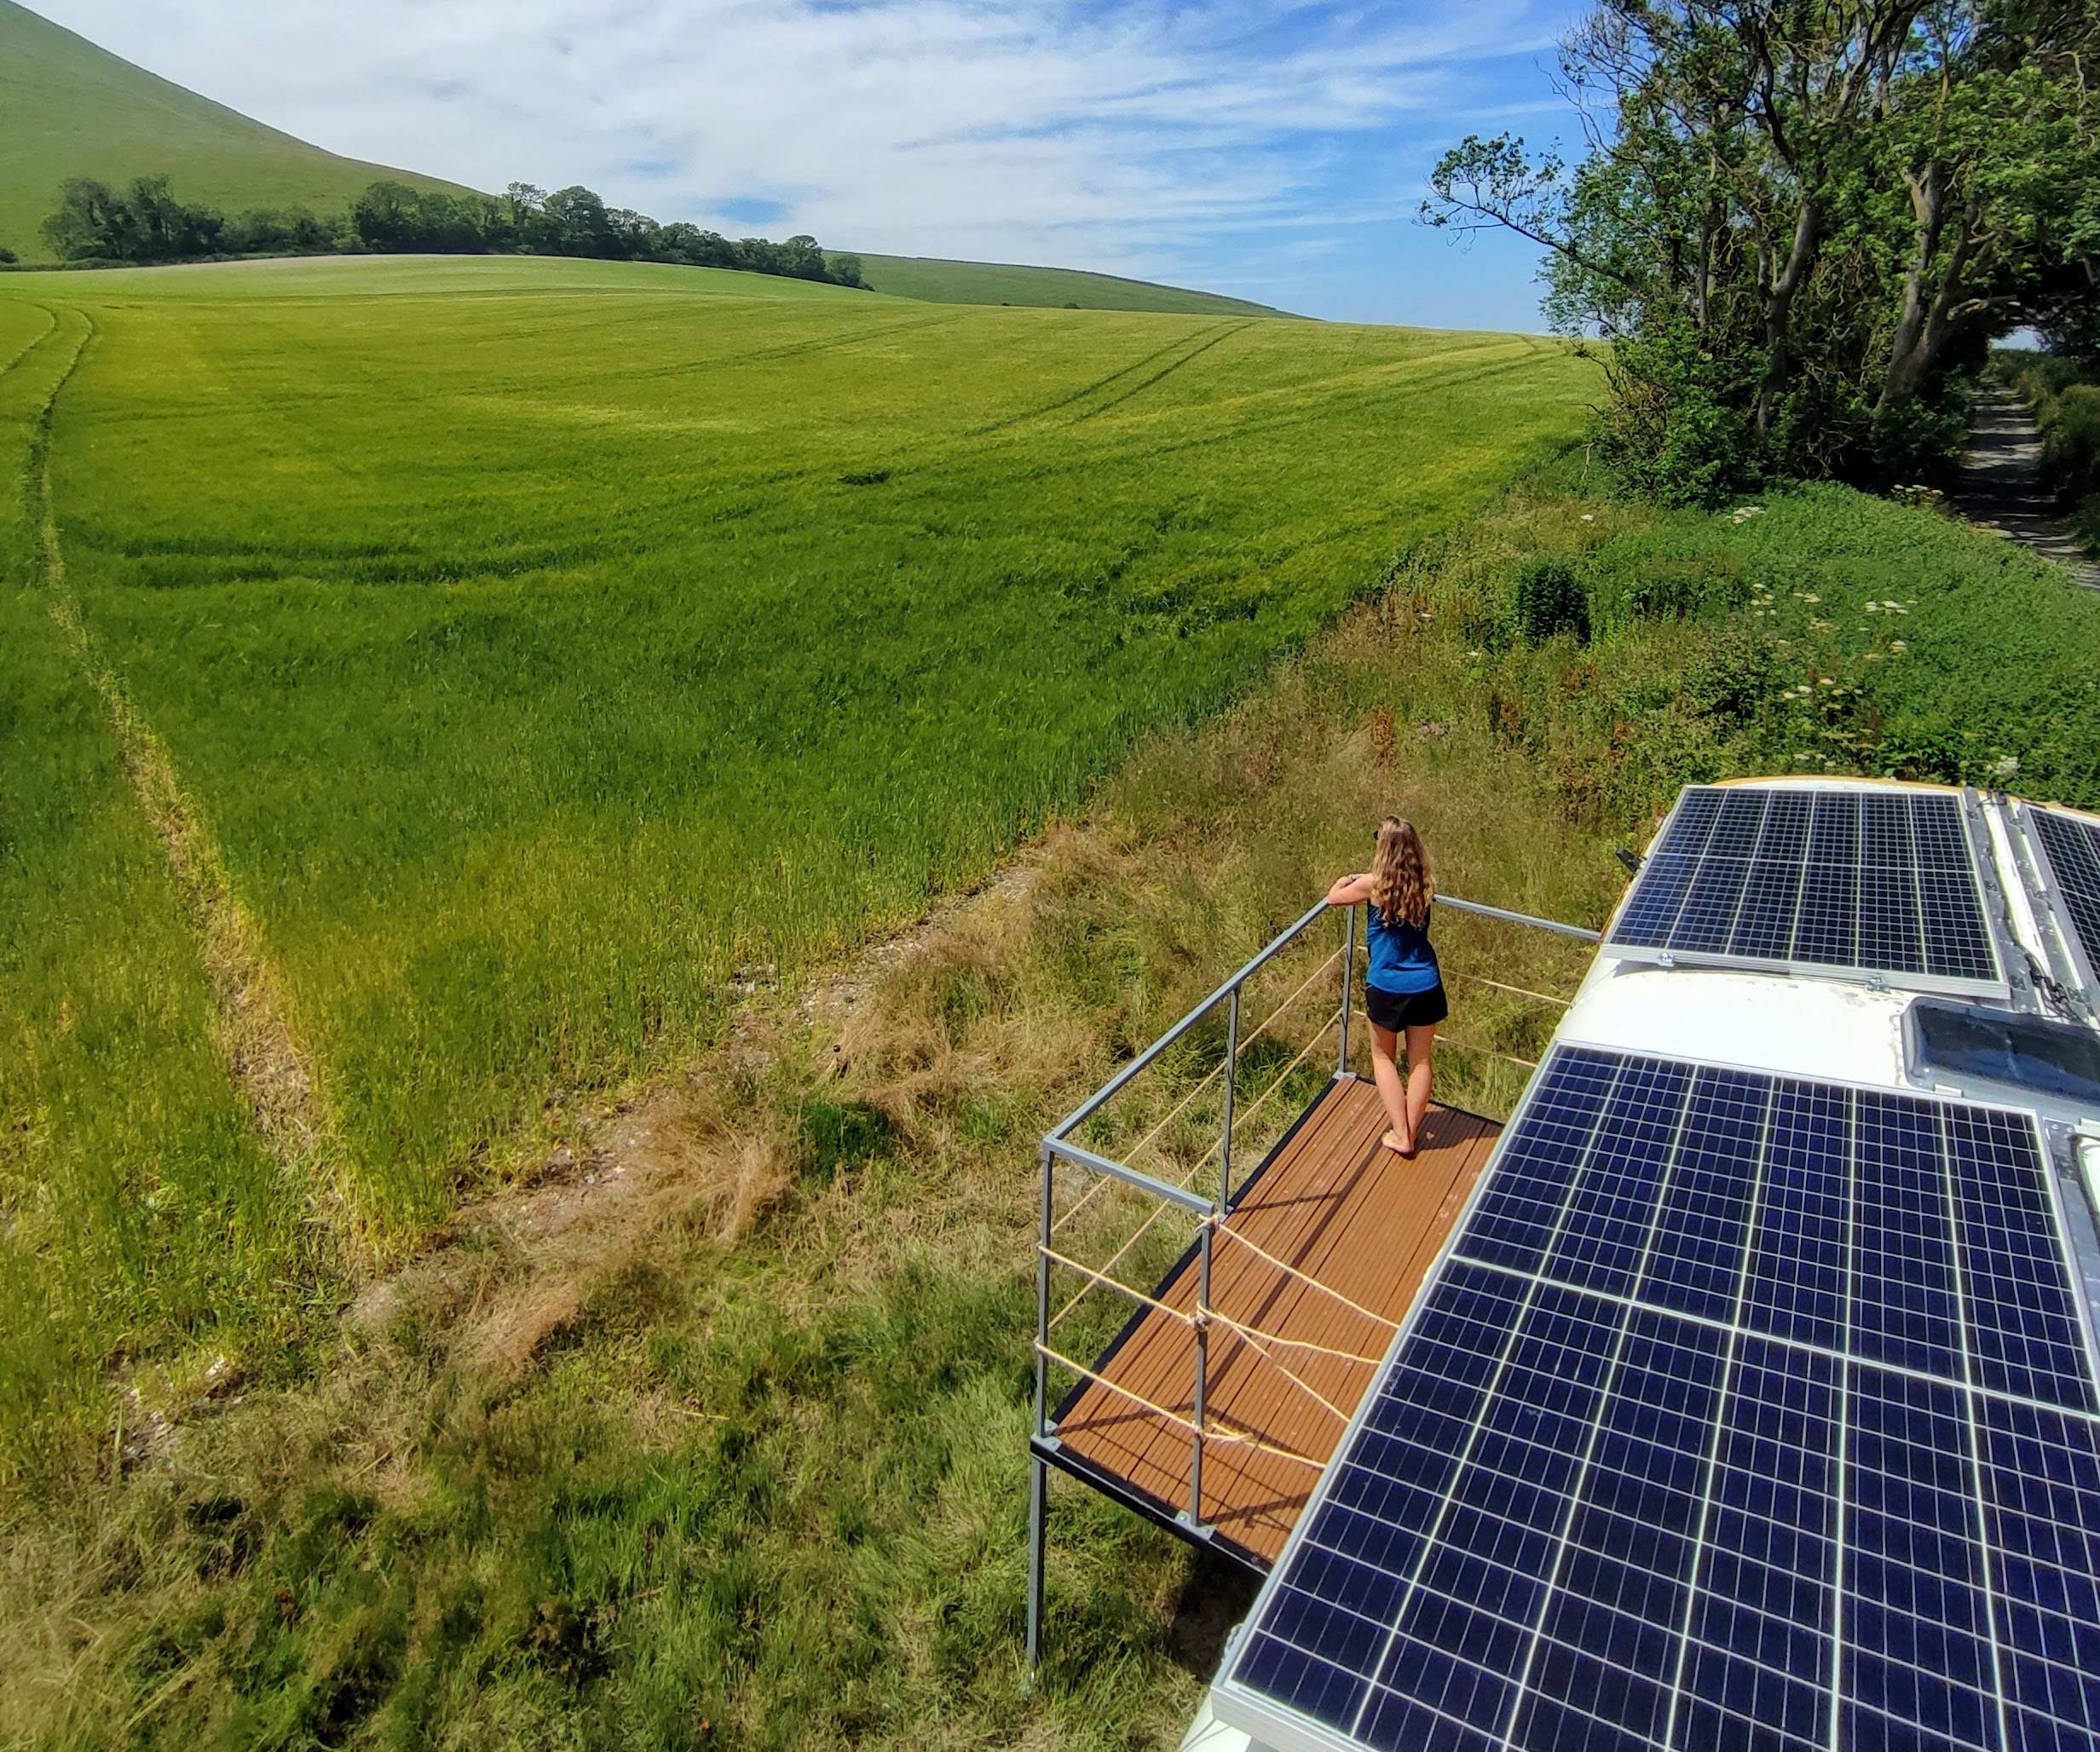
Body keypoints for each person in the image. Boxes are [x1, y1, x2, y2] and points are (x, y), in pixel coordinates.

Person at [1326, 816, 1446, 1157]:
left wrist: (1346, 878)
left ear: (1383, 848)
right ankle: (1409, 1130)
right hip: (1426, 982)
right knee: (1421, 1061)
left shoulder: (1373, 886)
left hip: (1387, 985)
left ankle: (1401, 1133)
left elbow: (1333, 898)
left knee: (1383, 1058)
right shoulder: (1424, 882)